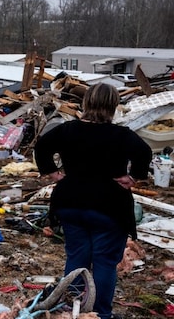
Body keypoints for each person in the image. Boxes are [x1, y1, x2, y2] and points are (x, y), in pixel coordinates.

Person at [34, 83, 151, 319]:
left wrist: (53, 172)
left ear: (86, 103)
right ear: (113, 106)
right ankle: (99, 314)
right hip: (109, 208)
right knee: (105, 263)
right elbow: (144, 152)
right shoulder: (122, 135)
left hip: (71, 204)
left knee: (77, 257)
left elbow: (42, 145)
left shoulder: (67, 130)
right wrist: (133, 177)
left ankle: (73, 310)